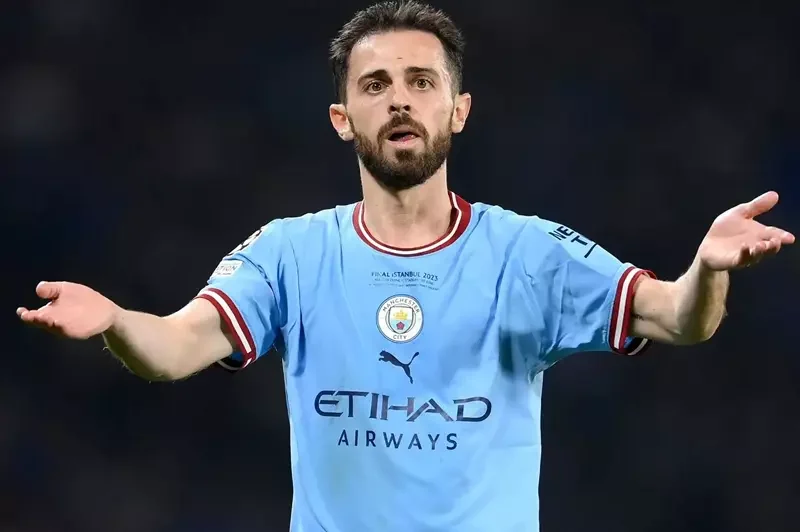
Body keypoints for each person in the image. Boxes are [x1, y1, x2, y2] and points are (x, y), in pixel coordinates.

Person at [16, 1, 794, 531]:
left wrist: (707, 270)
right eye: (375, 85)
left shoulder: (526, 254)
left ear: (458, 109)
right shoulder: (289, 254)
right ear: (341, 118)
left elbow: (678, 318)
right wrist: (117, 321)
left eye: (422, 83)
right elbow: (174, 347)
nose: (399, 101)